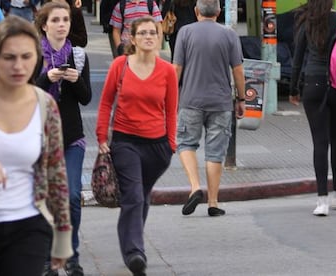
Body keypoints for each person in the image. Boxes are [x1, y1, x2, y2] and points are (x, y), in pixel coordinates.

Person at [0, 15, 73, 275]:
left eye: (26, 56)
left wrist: (63, 236)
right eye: (9, 57)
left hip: (29, 225)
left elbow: (56, 172)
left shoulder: (45, 105)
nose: (19, 66)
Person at [96, 16, 178, 276]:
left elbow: (172, 111)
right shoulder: (120, 65)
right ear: (132, 37)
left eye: (152, 32)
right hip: (125, 141)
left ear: (159, 36)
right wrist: (100, 137)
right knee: (132, 195)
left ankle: (132, 241)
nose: (148, 37)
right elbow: (106, 102)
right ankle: (134, 253)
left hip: (157, 147)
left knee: (141, 197)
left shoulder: (167, 70)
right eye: (142, 33)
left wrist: (171, 145)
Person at [289, 0, 336, 216]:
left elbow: (297, 60)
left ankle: (321, 201)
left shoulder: (307, 21)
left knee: (319, 142)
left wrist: (294, 89)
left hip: (313, 85)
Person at [173, 0, 246, 217]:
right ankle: (213, 202)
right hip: (221, 102)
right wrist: (241, 99)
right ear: (219, 12)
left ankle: (195, 187)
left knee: (186, 143)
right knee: (216, 152)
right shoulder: (230, 35)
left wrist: (171, 98)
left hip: (190, 100)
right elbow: (238, 70)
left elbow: (177, 68)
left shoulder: (185, 33)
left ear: (196, 11)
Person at [34, 2, 92, 275]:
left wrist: (73, 79)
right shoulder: (33, 55)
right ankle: (48, 260)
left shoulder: (78, 55)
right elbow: (27, 95)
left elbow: (86, 98)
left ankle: (71, 256)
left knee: (71, 197)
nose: (61, 24)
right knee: (46, 200)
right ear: (44, 25)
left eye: (65, 20)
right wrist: (47, 78)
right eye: (55, 20)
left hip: (72, 138)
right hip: (40, 139)